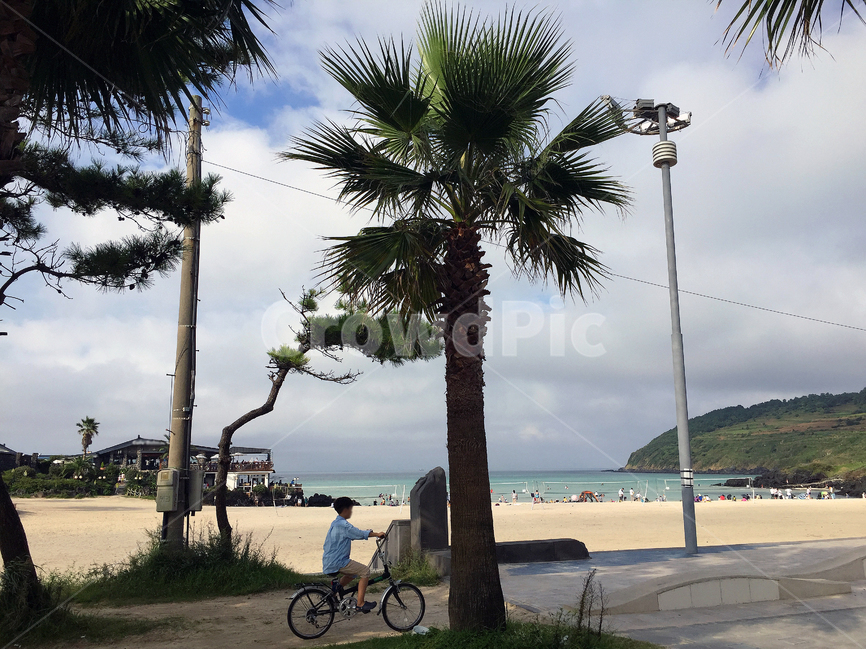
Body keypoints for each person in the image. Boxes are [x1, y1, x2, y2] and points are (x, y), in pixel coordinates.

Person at [322, 496, 385, 613]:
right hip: (338, 561)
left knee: (353, 573)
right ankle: (360, 603)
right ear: (346, 510)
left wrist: (367, 533)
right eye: (351, 509)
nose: (351, 512)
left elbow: (354, 533)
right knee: (365, 571)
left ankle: (334, 592)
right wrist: (376, 533)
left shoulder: (336, 522)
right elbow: (358, 533)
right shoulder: (343, 525)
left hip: (330, 560)